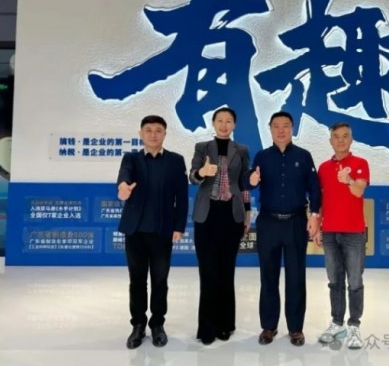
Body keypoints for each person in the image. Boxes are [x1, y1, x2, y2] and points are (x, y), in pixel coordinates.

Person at [246, 111, 321, 346]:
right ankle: (268, 327)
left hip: (295, 222)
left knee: (296, 276)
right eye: (276, 126)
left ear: (292, 129)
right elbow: (248, 182)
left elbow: (314, 188)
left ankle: (296, 329)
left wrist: (315, 215)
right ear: (270, 129)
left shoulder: (303, 156)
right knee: (268, 276)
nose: (281, 130)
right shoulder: (262, 156)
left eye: (285, 126)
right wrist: (251, 180)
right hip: (268, 222)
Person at [116, 115, 189, 349]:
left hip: (162, 231)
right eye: (148, 130)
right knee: (137, 281)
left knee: (160, 281)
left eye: (158, 130)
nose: (153, 134)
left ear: (165, 134)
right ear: (141, 134)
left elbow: (182, 197)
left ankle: (158, 324)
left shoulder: (176, 161)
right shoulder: (131, 159)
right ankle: (138, 325)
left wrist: (179, 226)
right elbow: (124, 175)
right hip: (135, 231)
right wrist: (123, 187)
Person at [189, 107, 251, 345]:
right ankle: (207, 327)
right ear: (213, 123)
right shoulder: (202, 147)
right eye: (220, 121)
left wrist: (247, 213)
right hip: (207, 215)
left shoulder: (242, 150)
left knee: (226, 271)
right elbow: (192, 177)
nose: (224, 125)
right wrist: (202, 172)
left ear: (234, 125)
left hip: (231, 215)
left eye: (229, 121)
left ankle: (225, 324)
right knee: (208, 272)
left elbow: (244, 184)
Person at [315, 122, 370, 349]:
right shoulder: (323, 168)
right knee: (334, 281)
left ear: (351, 140)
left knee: (355, 282)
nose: (340, 140)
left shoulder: (360, 163)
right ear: (330, 141)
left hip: (354, 233)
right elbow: (320, 201)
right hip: (329, 232)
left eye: (345, 136)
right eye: (336, 136)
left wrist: (348, 181)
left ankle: (354, 325)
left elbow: (358, 191)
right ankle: (337, 323)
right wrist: (317, 225)